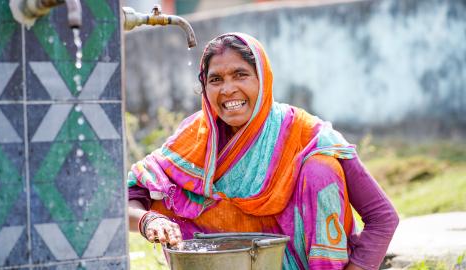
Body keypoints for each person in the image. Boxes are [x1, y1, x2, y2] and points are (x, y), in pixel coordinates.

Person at [128, 32, 399, 270]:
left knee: (321, 170)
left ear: (263, 79)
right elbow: (128, 198)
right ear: (205, 87)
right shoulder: (194, 139)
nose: (228, 89)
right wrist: (148, 220)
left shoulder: (304, 133)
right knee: (168, 193)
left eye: (240, 74)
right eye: (216, 79)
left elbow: (382, 218)